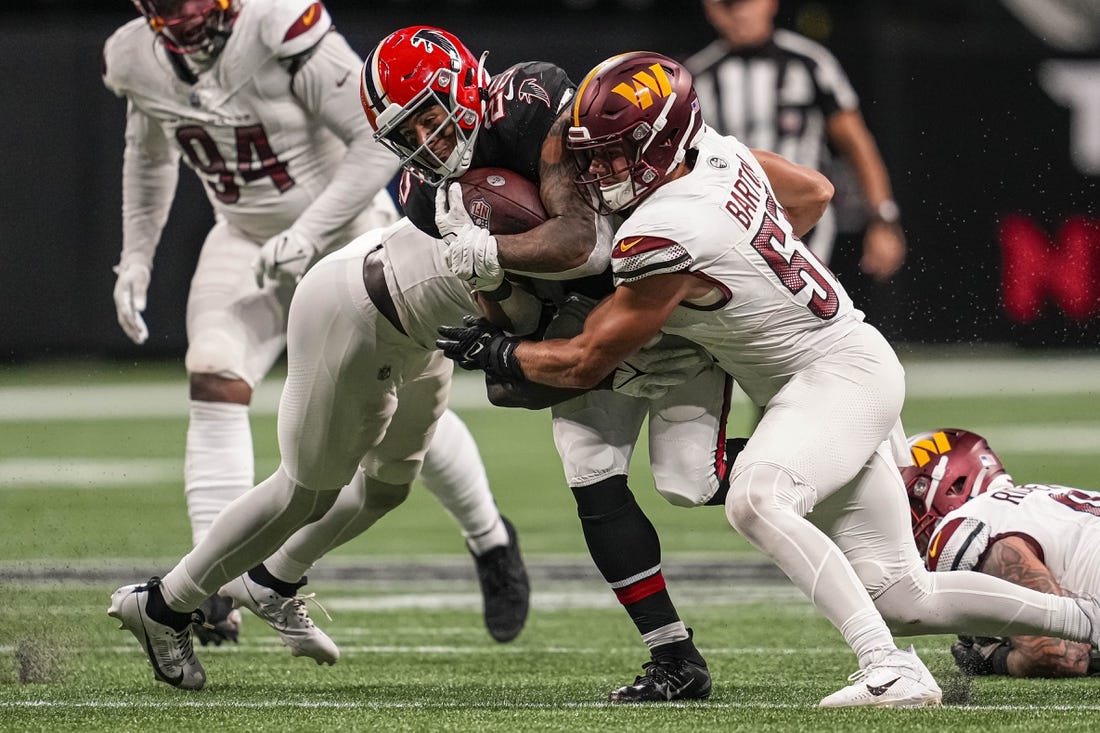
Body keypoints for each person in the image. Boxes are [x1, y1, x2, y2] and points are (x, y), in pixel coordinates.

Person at [435, 51, 1100, 708]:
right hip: (840, 368)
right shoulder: (719, 154)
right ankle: (1086, 619)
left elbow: (586, 361)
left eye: (619, 151)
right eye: (593, 153)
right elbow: (813, 191)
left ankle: (890, 670)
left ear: (666, 140)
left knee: (756, 498)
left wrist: (499, 353)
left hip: (832, 376)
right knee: (904, 595)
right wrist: (743, 282)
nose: (603, 169)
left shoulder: (662, 230)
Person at [102, 0, 527, 651]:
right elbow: (149, 155)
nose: (178, 13)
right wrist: (135, 254)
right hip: (244, 237)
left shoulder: (278, 24)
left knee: (407, 418)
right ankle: (213, 590)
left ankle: (490, 538)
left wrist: (309, 232)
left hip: (346, 236)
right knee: (214, 376)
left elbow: (376, 141)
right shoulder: (133, 55)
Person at [360, 26, 743, 702]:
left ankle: (839, 462)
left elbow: (586, 242)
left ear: (459, 83)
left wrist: (494, 252)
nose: (427, 141)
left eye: (429, 114)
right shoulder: (430, 196)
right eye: (407, 132)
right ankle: (674, 657)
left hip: (655, 299)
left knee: (694, 480)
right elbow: (520, 315)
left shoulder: (532, 97)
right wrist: (494, 302)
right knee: (590, 469)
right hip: (586, 323)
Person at [685, 0, 905, 282]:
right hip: (728, 220)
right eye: (728, 5)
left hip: (803, 218)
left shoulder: (809, 61)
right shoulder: (699, 75)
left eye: (746, 2)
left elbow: (856, 143)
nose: (740, 13)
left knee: (791, 314)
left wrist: (883, 219)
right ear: (712, 9)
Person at [902, 428, 1100, 678]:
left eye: (912, 505)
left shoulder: (965, 526)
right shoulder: (1036, 500)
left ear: (955, 486)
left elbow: (1059, 655)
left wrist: (995, 660)